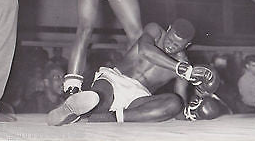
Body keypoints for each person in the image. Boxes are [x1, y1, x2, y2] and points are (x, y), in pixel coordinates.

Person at [47, 19, 220, 126]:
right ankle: (75, 109)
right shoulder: (155, 30)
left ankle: (106, 117)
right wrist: (181, 69)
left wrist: (195, 107)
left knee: (174, 103)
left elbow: (179, 101)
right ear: (168, 30)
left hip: (138, 98)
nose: (171, 45)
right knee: (99, 98)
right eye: (170, 39)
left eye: (177, 45)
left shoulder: (184, 63)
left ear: (187, 46)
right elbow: (145, 50)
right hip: (114, 79)